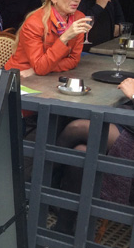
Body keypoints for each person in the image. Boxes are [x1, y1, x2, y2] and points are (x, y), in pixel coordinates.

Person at [53, 78, 134, 234]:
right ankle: (63, 228)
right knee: (81, 152)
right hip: (129, 123)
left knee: (76, 128)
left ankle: (41, 183)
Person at [4, 0, 91, 76]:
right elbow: (40, 67)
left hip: (41, 75)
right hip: (19, 77)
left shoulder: (79, 17)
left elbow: (73, 60)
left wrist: (35, 70)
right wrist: (64, 38)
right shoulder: (34, 23)